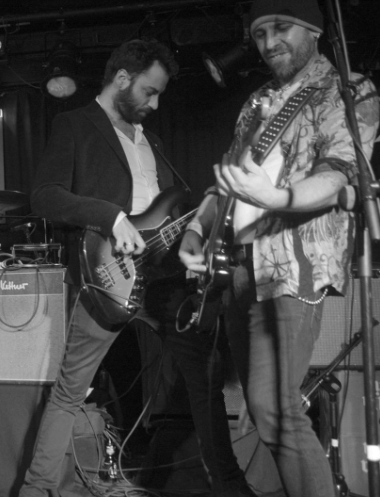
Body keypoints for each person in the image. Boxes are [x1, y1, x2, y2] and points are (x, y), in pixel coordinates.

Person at [20, 39, 255, 497]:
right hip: (107, 277)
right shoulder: (75, 125)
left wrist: (195, 240)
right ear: (123, 78)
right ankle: (37, 489)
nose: (155, 103)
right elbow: (45, 196)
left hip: (166, 282)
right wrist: (110, 217)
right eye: (150, 91)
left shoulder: (155, 143)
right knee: (70, 390)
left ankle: (229, 485)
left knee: (205, 381)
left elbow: (173, 215)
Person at [178, 0, 380, 497]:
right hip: (238, 267)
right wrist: (198, 228)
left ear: (313, 29)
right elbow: (227, 180)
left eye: (282, 28)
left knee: (276, 410)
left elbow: (341, 173)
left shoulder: (345, 88)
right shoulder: (257, 101)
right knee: (264, 409)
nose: (269, 43)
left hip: (293, 265)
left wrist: (277, 197)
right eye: (260, 33)